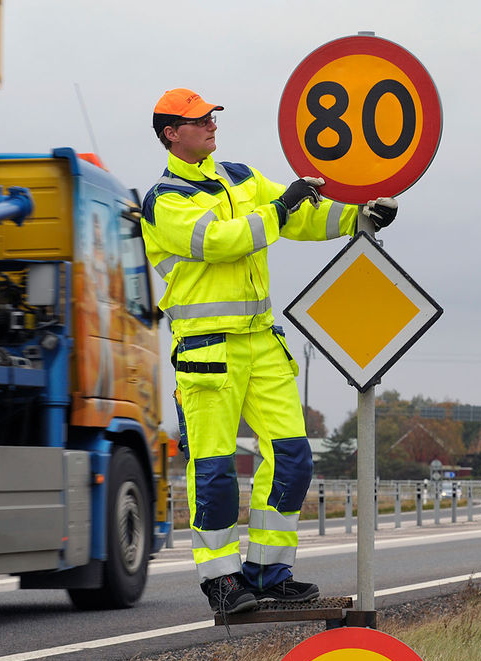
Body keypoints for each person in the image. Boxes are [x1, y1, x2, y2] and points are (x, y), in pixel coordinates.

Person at [140, 88, 397, 616]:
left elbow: (303, 216)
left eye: (212, 116)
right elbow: (221, 241)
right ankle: (222, 582)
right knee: (212, 471)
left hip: (262, 343)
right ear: (171, 133)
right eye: (198, 120)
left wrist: (359, 215)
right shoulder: (164, 200)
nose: (212, 124)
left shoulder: (241, 176)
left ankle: (268, 574)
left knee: (293, 459)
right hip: (207, 352)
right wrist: (281, 208)